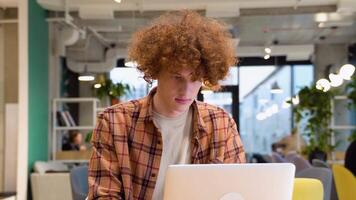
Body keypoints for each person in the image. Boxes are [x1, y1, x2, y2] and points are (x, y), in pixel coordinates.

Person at [88, 10, 246, 200]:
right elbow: (104, 196)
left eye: (195, 79)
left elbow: (235, 192)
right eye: (176, 77)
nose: (186, 90)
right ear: (155, 71)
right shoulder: (115, 122)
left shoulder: (221, 124)